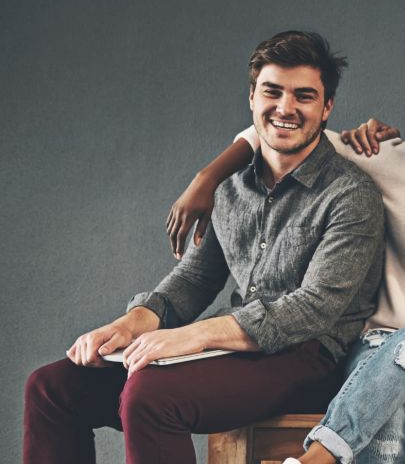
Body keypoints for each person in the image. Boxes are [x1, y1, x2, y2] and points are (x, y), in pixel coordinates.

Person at [23, 31, 385, 464]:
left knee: (152, 395)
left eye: (304, 96)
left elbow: (313, 308)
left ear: (326, 108)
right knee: (50, 387)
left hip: (309, 357)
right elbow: (196, 277)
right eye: (273, 92)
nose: (286, 108)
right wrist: (132, 324)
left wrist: (187, 339)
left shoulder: (351, 194)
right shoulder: (230, 187)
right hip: (228, 348)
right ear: (252, 98)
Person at [165, 49, 405, 463]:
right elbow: (280, 128)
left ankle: (319, 458)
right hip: (378, 349)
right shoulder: (387, 161)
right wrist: (207, 178)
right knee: (389, 421)